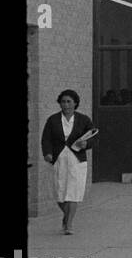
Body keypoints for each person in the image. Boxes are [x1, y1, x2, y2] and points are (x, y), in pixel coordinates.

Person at [41, 89, 98, 235]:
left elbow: (93, 136)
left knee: (73, 192)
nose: (65, 105)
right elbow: (46, 138)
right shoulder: (52, 120)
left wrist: (86, 144)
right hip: (58, 159)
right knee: (59, 193)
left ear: (75, 103)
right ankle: (66, 217)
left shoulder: (83, 120)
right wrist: (47, 153)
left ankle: (69, 224)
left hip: (77, 160)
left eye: (68, 101)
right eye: (63, 101)